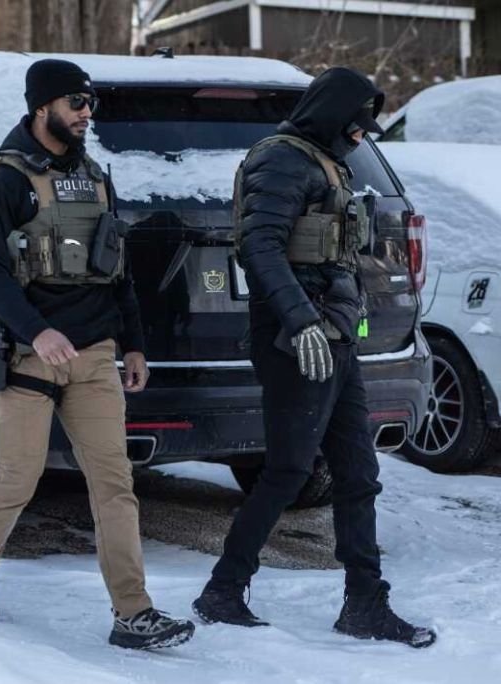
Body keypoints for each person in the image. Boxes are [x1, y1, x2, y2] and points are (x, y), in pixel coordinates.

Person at [0, 58, 194, 651]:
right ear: (42, 107)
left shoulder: (95, 177)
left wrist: (133, 343)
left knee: (114, 483)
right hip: (30, 358)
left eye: (90, 104)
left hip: (94, 354)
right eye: (76, 103)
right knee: (17, 477)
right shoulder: (5, 182)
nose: (87, 114)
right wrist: (35, 332)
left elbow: (118, 269)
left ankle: (132, 613)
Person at [191, 67, 436, 648]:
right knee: (288, 471)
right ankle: (223, 589)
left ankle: (365, 605)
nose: (360, 137)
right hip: (296, 339)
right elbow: (259, 245)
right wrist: (300, 321)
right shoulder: (281, 159)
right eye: (355, 127)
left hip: (336, 334)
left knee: (358, 473)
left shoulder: (324, 158)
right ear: (331, 114)